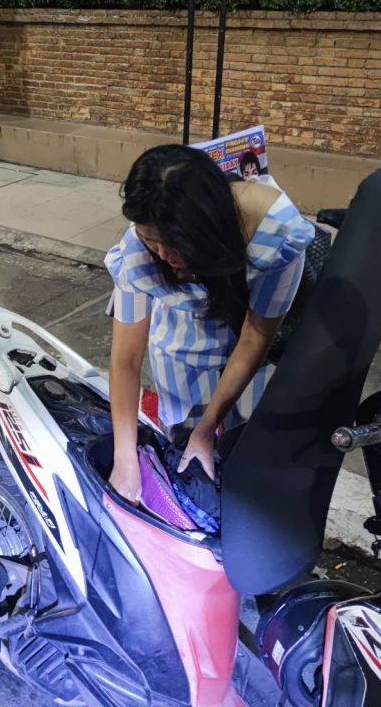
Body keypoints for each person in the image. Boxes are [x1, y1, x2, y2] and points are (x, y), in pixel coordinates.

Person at [104, 145, 315, 503]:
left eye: (176, 245)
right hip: (180, 345)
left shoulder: (278, 232)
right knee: (183, 450)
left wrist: (207, 427)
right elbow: (126, 358)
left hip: (246, 347)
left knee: (245, 449)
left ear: (208, 229)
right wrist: (124, 460)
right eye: (152, 241)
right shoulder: (139, 252)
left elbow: (255, 337)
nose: (164, 256)